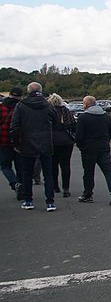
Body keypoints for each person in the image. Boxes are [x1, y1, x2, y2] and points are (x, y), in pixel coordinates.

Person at [9, 82, 57, 211]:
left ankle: (28, 200)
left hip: (27, 143)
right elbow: (56, 120)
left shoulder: (21, 105)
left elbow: (14, 125)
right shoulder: (48, 105)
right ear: (41, 91)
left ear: (28, 91)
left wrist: (14, 142)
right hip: (45, 142)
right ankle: (50, 202)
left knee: (27, 174)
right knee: (48, 174)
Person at [75, 95, 111, 205]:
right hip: (104, 148)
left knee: (88, 173)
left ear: (86, 104)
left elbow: (79, 136)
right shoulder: (106, 116)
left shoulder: (83, 118)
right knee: (108, 172)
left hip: (88, 149)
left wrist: (81, 146)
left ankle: (88, 194)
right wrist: (105, 141)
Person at [48, 93, 76, 197]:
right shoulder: (66, 111)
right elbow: (73, 125)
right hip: (66, 140)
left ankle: (55, 186)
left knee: (53, 165)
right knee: (65, 165)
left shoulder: (48, 112)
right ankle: (66, 188)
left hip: (52, 140)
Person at [0, 86, 23, 195]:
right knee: (20, 167)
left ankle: (14, 183)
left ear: (10, 94)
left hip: (3, 141)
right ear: (20, 96)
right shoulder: (22, 107)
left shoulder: (2, 107)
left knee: (5, 166)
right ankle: (21, 188)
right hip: (18, 141)